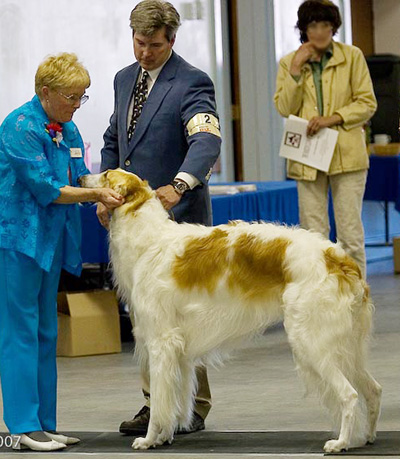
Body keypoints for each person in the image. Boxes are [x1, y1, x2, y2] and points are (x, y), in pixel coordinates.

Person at [97, 0, 221, 436]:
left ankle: (193, 406)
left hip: (179, 224)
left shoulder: (192, 82)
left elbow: (206, 140)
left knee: (187, 318)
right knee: (148, 319)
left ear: (172, 40)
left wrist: (180, 184)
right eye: (138, 42)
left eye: (153, 44)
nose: (144, 52)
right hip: (133, 228)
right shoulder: (123, 79)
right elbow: (115, 140)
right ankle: (157, 405)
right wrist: (103, 192)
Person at [0, 53, 124, 452]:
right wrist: (95, 194)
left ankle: (44, 423)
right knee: (19, 329)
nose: (76, 104)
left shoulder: (67, 130)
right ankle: (20, 425)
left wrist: (102, 199)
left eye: (82, 97)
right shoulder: (19, 126)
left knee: (46, 331)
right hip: (18, 240)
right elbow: (46, 188)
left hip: (51, 241)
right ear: (45, 92)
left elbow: (79, 175)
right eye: (72, 96)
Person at [274, 0, 377, 277]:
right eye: (313, 26)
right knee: (312, 236)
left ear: (334, 27)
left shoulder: (352, 56)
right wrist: (296, 69)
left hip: (348, 157)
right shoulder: (289, 62)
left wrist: (333, 118)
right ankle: (319, 298)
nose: (319, 32)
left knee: (350, 235)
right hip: (307, 158)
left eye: (326, 25)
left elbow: (367, 103)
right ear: (304, 29)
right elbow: (285, 108)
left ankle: (356, 300)